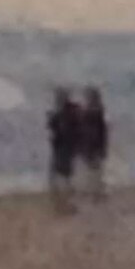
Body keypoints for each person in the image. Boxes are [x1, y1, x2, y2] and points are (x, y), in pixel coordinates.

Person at [46, 86, 82, 215]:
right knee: (64, 177)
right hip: (66, 149)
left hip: (63, 149)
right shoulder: (71, 112)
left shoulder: (64, 114)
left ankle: (63, 205)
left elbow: (58, 131)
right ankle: (65, 205)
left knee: (60, 177)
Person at [79, 86, 109, 202]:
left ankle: (95, 193)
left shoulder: (91, 111)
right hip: (94, 143)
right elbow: (103, 130)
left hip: (92, 143)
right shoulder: (98, 110)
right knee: (96, 169)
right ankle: (97, 192)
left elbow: (99, 129)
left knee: (93, 169)